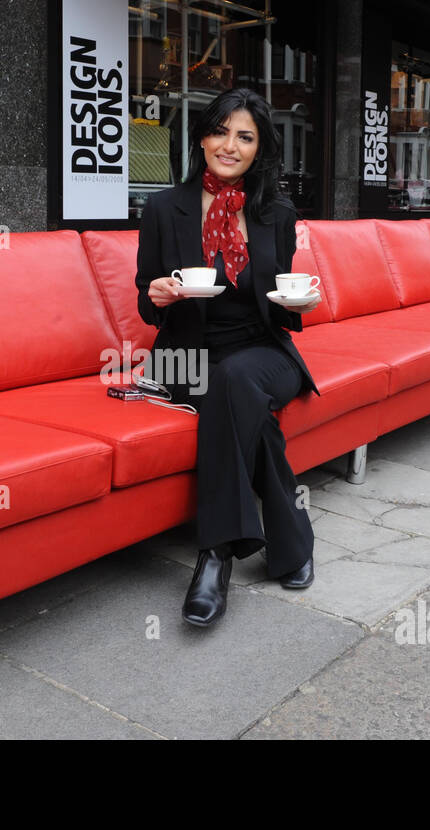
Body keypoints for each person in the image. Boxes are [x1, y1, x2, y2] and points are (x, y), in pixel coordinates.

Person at [134, 87, 323, 628]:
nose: (230, 145)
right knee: (236, 395)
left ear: (259, 149)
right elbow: (146, 303)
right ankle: (290, 539)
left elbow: (281, 307)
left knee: (237, 379)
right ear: (202, 137)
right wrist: (159, 296)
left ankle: (214, 556)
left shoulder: (277, 213)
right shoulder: (164, 208)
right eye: (220, 131)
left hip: (263, 351)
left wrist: (299, 303)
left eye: (245, 137)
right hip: (182, 358)